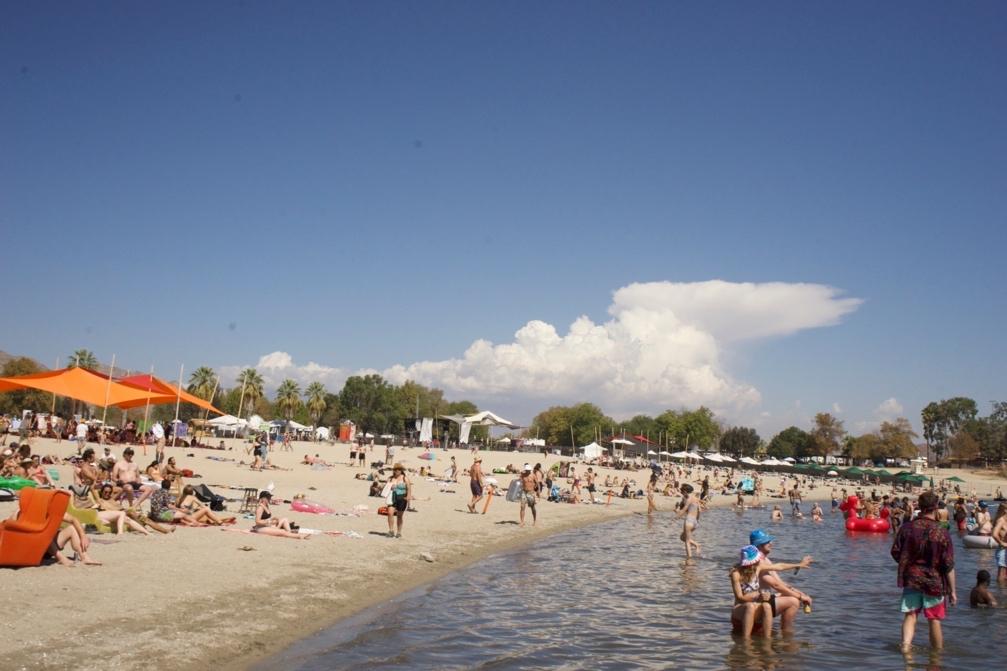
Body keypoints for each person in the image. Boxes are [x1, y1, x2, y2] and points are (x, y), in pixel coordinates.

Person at [890, 491, 957, 652]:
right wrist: (953, 591)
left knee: (910, 615)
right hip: (934, 581)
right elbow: (948, 564)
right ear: (936, 508)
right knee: (934, 619)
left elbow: (895, 551)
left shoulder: (907, 528)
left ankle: (906, 649)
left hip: (911, 578)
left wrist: (907, 563)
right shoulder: (942, 532)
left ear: (919, 506)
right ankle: (936, 657)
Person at [730, 545, 813, 638]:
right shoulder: (735, 573)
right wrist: (756, 597)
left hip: (756, 605)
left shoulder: (758, 567)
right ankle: (746, 641)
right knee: (750, 606)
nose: (757, 562)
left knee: (767, 606)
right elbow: (740, 598)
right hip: (741, 609)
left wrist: (799, 565)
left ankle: (767, 640)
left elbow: (779, 566)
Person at [749, 529, 813, 630]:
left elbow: (781, 583)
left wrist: (802, 594)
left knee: (791, 595)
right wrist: (800, 597)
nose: (771, 543)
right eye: (767, 542)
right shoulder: (757, 562)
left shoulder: (765, 560)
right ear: (759, 545)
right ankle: (787, 635)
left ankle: (784, 631)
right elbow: (776, 585)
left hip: (764, 598)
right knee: (793, 601)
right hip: (757, 602)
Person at [384, 463, 411, 538]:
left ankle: (399, 532)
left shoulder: (405, 478)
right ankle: (391, 531)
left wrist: (408, 497)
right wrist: (390, 487)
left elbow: (409, 488)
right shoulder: (390, 478)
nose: (396, 471)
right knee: (390, 513)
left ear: (401, 470)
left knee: (399, 516)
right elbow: (386, 487)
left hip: (402, 498)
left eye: (398, 469)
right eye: (395, 469)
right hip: (392, 498)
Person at [676, 483, 702, 558]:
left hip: (689, 520)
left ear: (685, 492)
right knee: (682, 537)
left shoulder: (688, 499)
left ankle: (689, 559)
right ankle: (696, 544)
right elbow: (699, 510)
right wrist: (697, 520)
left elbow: (684, 509)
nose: (681, 493)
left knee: (687, 541)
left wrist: (676, 518)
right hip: (695, 521)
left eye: (682, 491)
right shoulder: (696, 498)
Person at [992, 503, 1007, 584]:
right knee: (1001, 574)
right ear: (1005, 510)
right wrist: (1001, 543)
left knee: (1005, 574)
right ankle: (1000, 593)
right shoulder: (1001, 520)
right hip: (1002, 550)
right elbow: (994, 534)